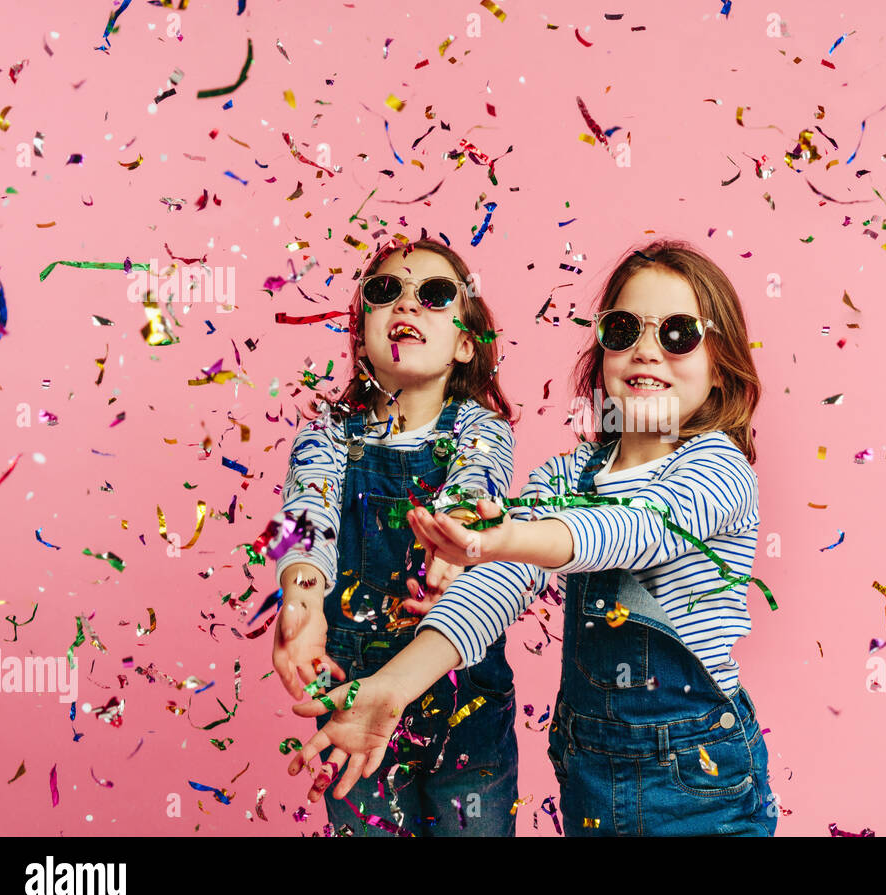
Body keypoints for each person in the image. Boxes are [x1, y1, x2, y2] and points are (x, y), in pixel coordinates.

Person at [292, 239, 775, 836]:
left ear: (722, 363)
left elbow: (633, 529)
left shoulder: (719, 471)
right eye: (624, 330)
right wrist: (392, 688)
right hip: (592, 777)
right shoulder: (568, 477)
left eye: (678, 334)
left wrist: (509, 535)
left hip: (698, 784)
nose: (646, 349)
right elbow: (494, 587)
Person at [273, 236, 519, 836]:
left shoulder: (480, 430)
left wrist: (452, 550)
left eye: (434, 295)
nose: (406, 306)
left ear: (466, 343)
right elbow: (309, 513)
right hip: (354, 698)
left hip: (467, 699)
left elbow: (474, 488)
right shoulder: (328, 434)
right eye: (386, 292)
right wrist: (302, 602)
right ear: (362, 335)